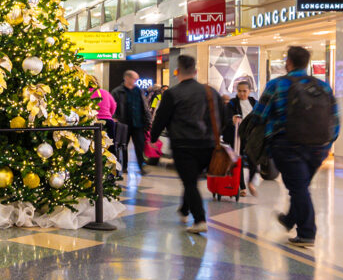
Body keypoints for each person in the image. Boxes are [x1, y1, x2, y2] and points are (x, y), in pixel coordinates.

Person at [252, 46, 339, 246]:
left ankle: (307, 233)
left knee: (298, 187)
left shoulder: (277, 85)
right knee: (300, 185)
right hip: (318, 147)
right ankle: (289, 219)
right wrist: (327, 144)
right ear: (306, 63)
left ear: (288, 63)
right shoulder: (323, 86)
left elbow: (259, 115)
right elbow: (335, 118)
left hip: (287, 145)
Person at [150, 55, 224, 234]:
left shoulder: (172, 94)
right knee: (191, 179)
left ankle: (199, 220)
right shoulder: (210, 92)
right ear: (196, 72)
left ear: (177, 72)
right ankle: (184, 209)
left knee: (190, 182)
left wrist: (152, 138)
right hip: (208, 144)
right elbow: (224, 116)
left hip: (184, 145)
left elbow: (161, 118)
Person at [111, 70, 151, 173]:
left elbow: (145, 106)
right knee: (123, 145)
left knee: (140, 145)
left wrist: (148, 120)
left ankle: (141, 166)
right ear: (127, 78)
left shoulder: (138, 91)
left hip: (138, 123)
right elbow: (112, 106)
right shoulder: (117, 91)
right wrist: (115, 118)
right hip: (124, 123)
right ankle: (124, 167)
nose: (136, 81)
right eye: (134, 79)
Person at [225, 81, 259, 196]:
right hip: (237, 137)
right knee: (237, 160)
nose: (242, 93)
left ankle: (250, 182)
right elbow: (227, 118)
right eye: (239, 91)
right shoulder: (232, 104)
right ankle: (242, 187)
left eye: (244, 91)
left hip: (252, 136)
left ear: (249, 91)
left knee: (253, 160)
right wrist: (232, 120)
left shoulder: (254, 103)